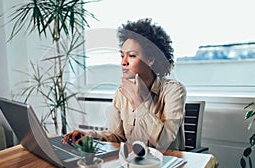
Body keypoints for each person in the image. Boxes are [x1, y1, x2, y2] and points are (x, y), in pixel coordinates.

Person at [63, 18, 186, 151]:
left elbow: (164, 143)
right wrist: (91, 136)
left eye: (131, 56)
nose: (124, 62)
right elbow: (118, 137)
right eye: (122, 56)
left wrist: (138, 103)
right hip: (135, 164)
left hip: (168, 163)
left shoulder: (174, 90)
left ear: (150, 59)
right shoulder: (121, 93)